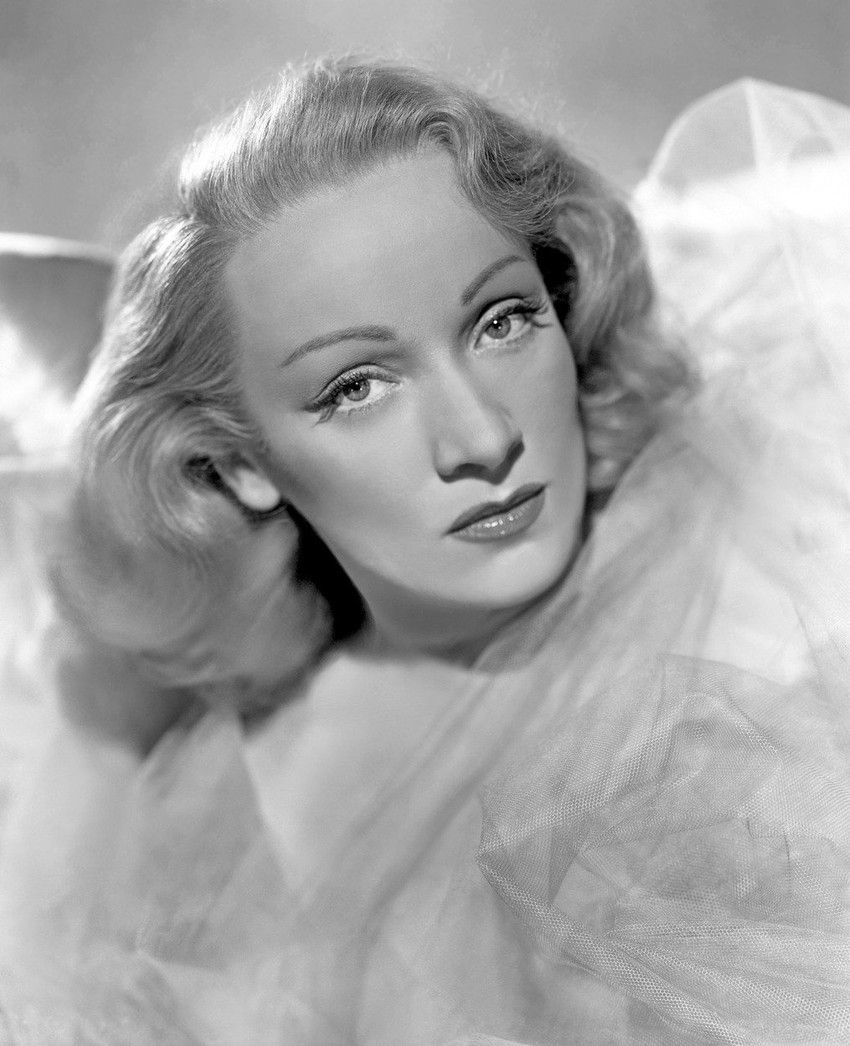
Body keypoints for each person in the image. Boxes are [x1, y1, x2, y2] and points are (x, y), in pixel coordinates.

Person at [1, 58, 849, 1045]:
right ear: (238, 464)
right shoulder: (183, 764)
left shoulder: (764, 602)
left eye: (503, 321)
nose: (483, 438)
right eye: (355, 387)